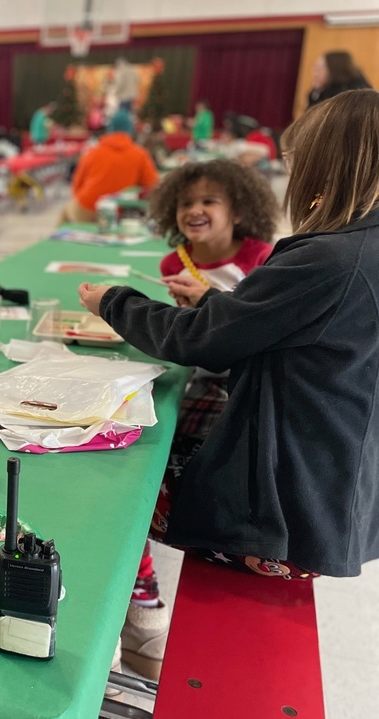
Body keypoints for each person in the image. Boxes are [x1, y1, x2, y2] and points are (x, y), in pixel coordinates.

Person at [78, 89, 379, 588]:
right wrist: (212, 302)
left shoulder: (329, 260)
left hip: (284, 521)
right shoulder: (361, 249)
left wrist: (113, 301)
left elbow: (199, 341)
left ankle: (137, 602)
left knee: (115, 475)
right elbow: (276, 327)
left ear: (327, 163)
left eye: (297, 159)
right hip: (336, 499)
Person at [117, 159, 279, 680]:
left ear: (239, 210)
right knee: (139, 442)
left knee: (145, 475)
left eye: (210, 200)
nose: (196, 210)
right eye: (187, 202)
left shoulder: (262, 260)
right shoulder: (174, 261)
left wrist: (213, 309)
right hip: (199, 376)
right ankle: (138, 597)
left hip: (239, 384)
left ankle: (140, 606)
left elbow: (246, 337)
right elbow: (185, 339)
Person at [62, 109, 158, 224]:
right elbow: (152, 186)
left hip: (86, 208)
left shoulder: (92, 152)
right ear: (130, 129)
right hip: (116, 212)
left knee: (65, 215)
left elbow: (77, 185)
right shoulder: (140, 154)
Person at [307, 50, 372, 109]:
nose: (314, 72)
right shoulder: (322, 91)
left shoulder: (353, 98)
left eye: (319, 68)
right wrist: (316, 94)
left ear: (333, 70)